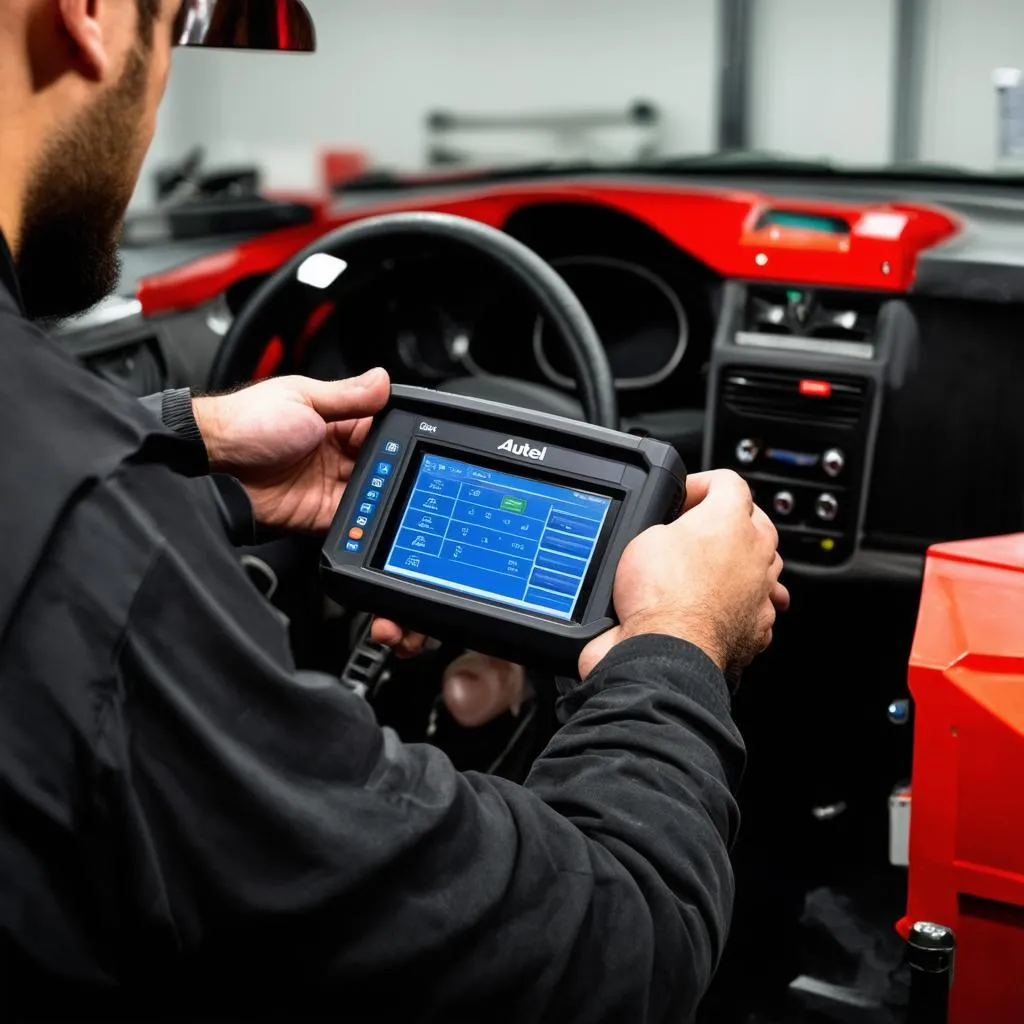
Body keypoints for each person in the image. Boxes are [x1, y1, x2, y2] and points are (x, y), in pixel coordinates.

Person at [0, 2, 788, 1021]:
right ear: (93, 16)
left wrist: (184, 446)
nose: (160, 98)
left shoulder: (79, 481)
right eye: (179, 25)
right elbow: (614, 951)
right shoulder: (98, 545)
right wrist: (683, 641)